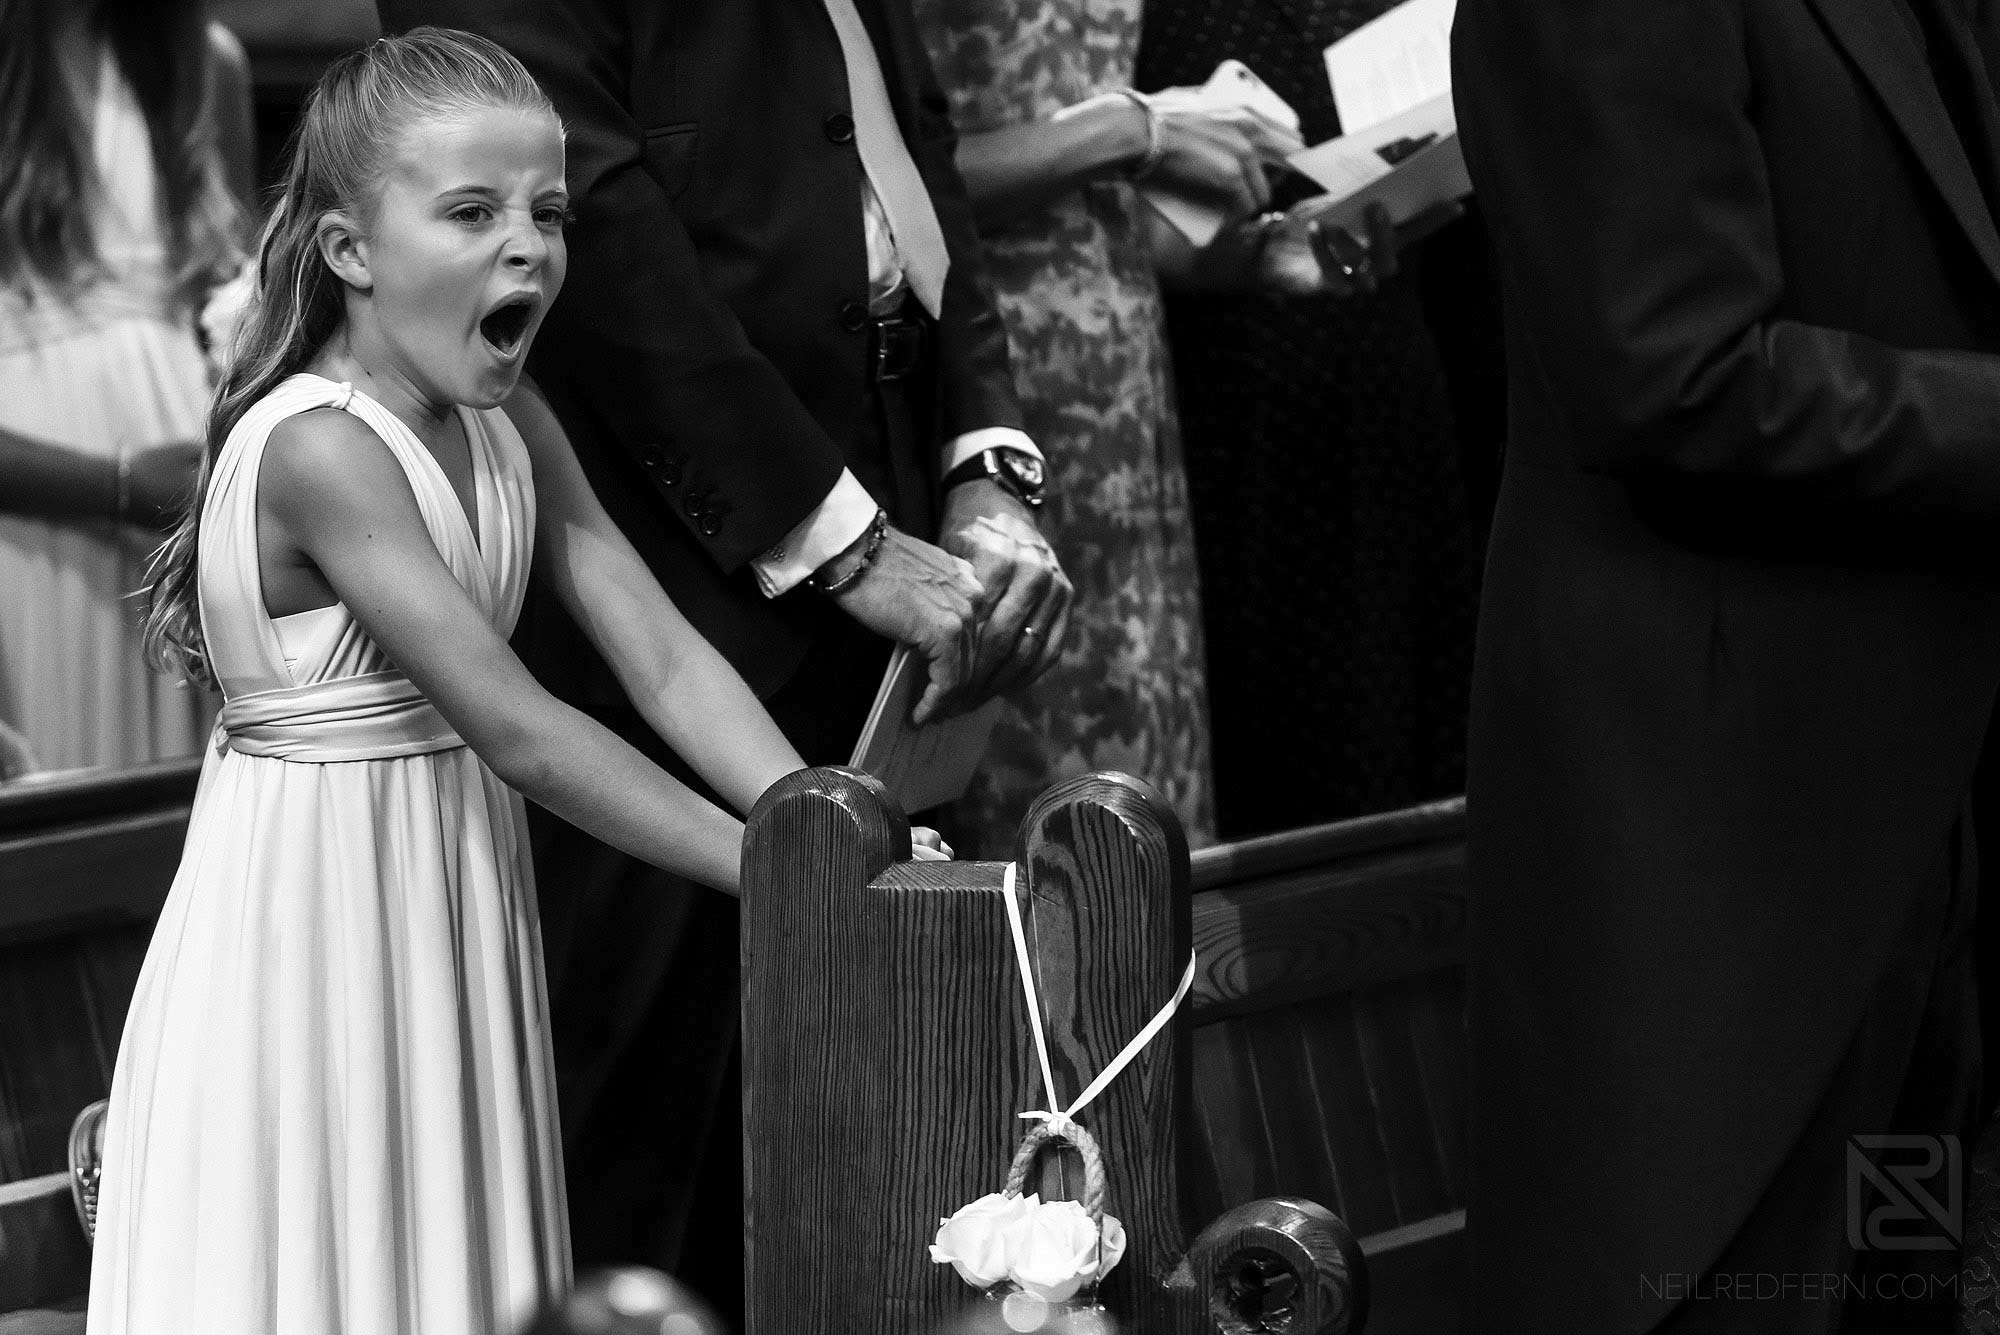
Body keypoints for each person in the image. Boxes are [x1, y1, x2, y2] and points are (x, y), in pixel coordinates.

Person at [89, 29, 939, 1333]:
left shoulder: (511, 419)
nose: (530, 244)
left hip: (453, 893)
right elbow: (521, 727)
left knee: (462, 1257)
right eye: (473, 212)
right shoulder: (322, 449)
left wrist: (835, 821)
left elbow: (659, 655)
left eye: (548, 210)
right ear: (350, 249)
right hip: (322, 917)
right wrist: (787, 870)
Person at [374, 0, 1073, 1311]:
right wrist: (836, 539)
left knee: (887, 1110)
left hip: (890, 521)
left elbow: (901, 145)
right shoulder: (329, 439)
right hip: (672, 546)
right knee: (653, 1148)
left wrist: (985, 462)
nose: (515, 235)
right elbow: (599, 229)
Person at [1452, 0, 2000, 1327]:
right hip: (1723, 845)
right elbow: (1674, 376)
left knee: (1903, 1285)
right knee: (1734, 1295)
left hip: (1923, 831)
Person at [912, 0, 1409, 854]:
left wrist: (1252, 253)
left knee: (1150, 795)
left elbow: (1090, 215)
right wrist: (1134, 126)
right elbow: (877, 177)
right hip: (985, 394)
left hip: (1129, 398)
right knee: (1034, 819)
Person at [1134, 0, 1481, 838]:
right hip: (1230, 395)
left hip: (1386, 367)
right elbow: (1109, 226)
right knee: (1290, 742)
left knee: (1422, 723)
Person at [0, 0, 253, 774]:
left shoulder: (206, 61)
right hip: (33, 515)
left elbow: (242, 293)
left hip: (183, 512)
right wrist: (115, 486)